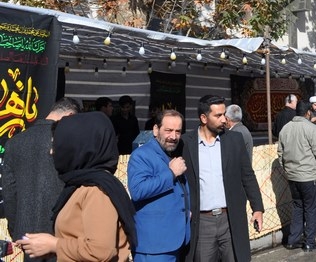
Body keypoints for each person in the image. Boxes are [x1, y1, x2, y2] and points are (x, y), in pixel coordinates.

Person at [16, 112, 137, 261]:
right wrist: (49, 248)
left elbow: (100, 251)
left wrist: (54, 245)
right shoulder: (81, 185)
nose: (51, 151)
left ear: (76, 146)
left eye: (56, 145)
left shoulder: (96, 191)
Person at [181, 95, 264, 262]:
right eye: (218, 115)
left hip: (230, 220)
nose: (224, 119)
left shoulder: (234, 140)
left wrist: (257, 208)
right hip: (202, 223)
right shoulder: (185, 144)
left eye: (224, 114)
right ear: (204, 118)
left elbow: (247, 175)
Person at [2, 97, 82, 261]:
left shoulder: (14, 143)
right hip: (62, 234)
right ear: (70, 116)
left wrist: (16, 229)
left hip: (27, 234)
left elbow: (9, 194)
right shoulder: (70, 142)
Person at [128, 109, 190, 261]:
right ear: (156, 130)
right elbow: (138, 190)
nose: (173, 137)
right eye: (168, 130)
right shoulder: (141, 155)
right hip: (154, 246)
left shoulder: (172, 153)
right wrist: (171, 173)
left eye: (178, 131)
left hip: (175, 241)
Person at [277, 100, 316, 252]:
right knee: (312, 209)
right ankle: (309, 243)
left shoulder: (285, 128)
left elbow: (280, 154)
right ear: (308, 112)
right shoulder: (311, 128)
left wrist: (287, 170)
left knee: (297, 207)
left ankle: (293, 240)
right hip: (308, 177)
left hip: (293, 177)